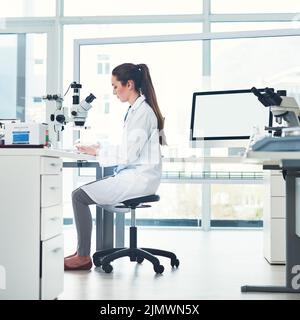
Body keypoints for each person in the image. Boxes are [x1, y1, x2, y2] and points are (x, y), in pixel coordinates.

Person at [64, 63, 166, 270]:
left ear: (129, 84)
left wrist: (98, 152)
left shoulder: (143, 112)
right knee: (83, 194)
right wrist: (100, 148)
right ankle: (80, 251)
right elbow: (130, 147)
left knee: (78, 196)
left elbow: (129, 154)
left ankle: (83, 257)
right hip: (137, 176)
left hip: (138, 180)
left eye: (115, 86)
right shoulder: (136, 110)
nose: (113, 91)